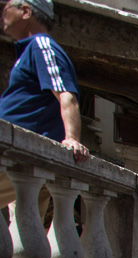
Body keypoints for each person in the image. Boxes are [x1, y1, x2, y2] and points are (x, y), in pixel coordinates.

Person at [0, 0, 87, 161]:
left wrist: (72, 138)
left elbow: (65, 94)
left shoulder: (41, 45)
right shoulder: (31, 49)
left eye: (5, 9)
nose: (2, 16)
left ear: (26, 12)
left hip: (22, 151)